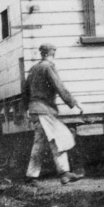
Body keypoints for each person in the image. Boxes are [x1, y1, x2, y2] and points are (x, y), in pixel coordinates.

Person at [23, 43, 84, 185]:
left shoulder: (33, 69)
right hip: (45, 111)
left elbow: (25, 91)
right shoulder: (48, 67)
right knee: (60, 139)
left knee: (42, 143)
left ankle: (33, 176)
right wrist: (74, 103)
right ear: (52, 54)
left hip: (36, 111)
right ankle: (64, 173)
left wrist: (26, 108)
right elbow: (59, 86)